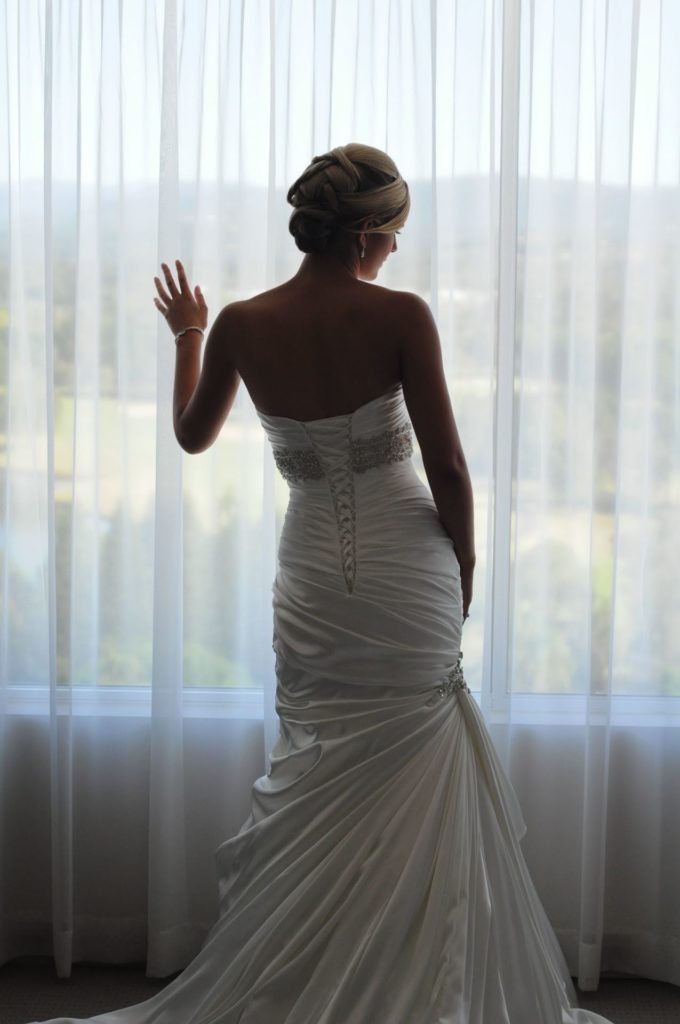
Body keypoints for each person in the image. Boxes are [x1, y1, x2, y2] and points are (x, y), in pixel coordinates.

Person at [35, 144, 615, 1023]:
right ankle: (415, 980)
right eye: (395, 233)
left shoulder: (240, 322)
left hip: (311, 569)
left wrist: (189, 334)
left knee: (326, 763)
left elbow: (192, 435)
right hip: (406, 568)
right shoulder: (402, 315)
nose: (397, 250)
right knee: (420, 760)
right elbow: (450, 468)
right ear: (368, 233)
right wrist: (464, 562)